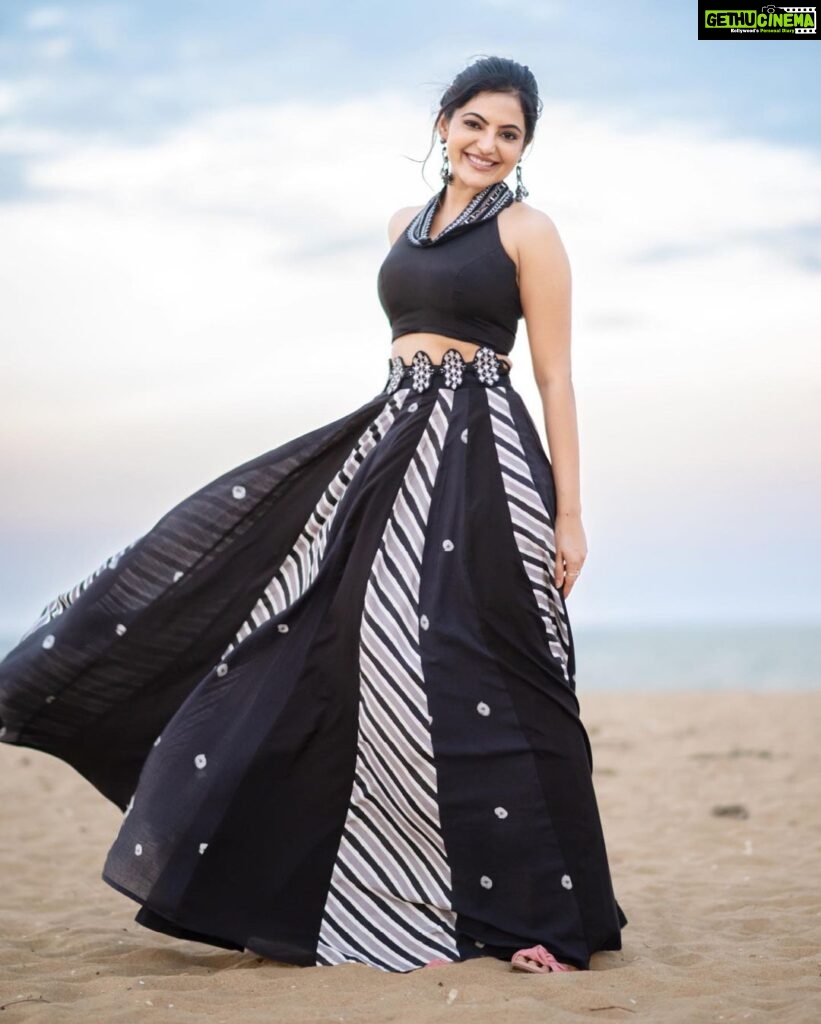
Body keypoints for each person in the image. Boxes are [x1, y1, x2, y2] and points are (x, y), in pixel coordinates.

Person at [0, 55, 627, 974]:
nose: (487, 144)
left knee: (489, 661)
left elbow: (556, 376)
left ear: (524, 148)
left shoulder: (530, 230)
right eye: (475, 124)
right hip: (393, 443)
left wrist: (570, 515)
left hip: (483, 459)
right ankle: (305, 876)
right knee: (312, 632)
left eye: (509, 134)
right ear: (442, 124)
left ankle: (543, 915)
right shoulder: (400, 227)